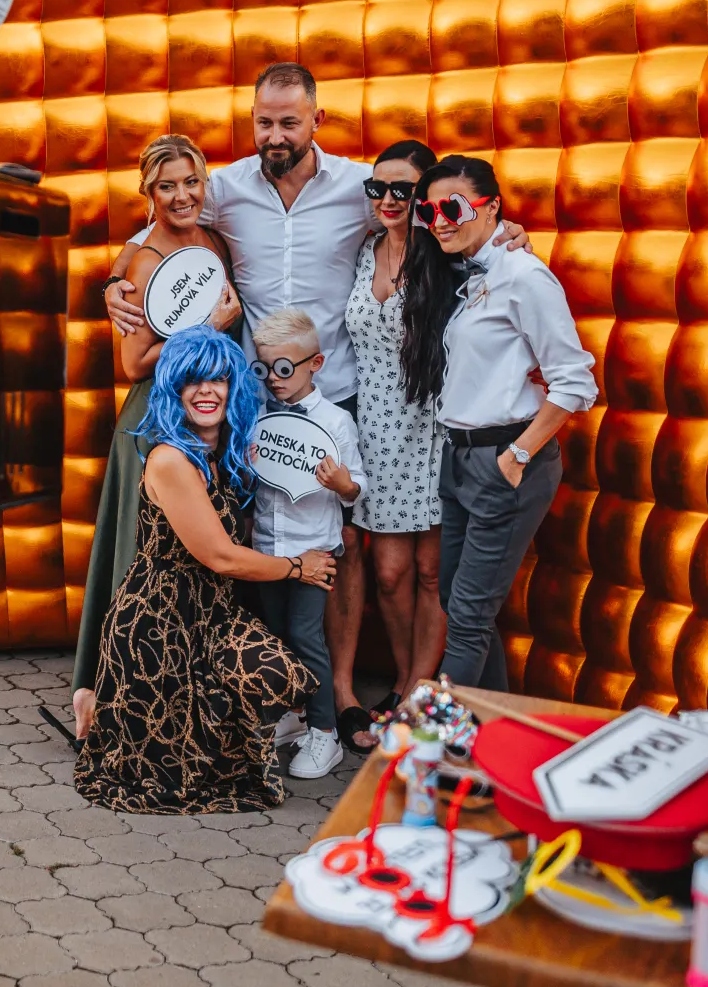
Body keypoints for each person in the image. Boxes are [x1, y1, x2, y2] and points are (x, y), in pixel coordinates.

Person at [102, 64, 531, 753]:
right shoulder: (226, 188)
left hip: (344, 392)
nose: (275, 135)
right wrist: (115, 280)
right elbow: (159, 221)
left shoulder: (362, 186)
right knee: (261, 529)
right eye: (264, 122)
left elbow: (431, 207)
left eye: (288, 122)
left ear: (316, 120)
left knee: (348, 545)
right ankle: (289, 695)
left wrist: (510, 234)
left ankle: (344, 696)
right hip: (255, 396)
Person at [74, 325, 333, 815]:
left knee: (279, 674)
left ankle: (106, 704)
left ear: (233, 387)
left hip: (211, 615)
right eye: (192, 380)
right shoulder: (171, 459)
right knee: (177, 779)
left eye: (218, 379)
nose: (206, 391)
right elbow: (221, 556)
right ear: (173, 389)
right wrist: (299, 568)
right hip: (158, 625)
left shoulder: (219, 454)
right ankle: (102, 707)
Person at [71, 134, 242, 738]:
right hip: (156, 423)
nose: (181, 195)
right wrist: (207, 327)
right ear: (148, 192)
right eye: (167, 186)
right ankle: (113, 701)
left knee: (192, 567)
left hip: (209, 419)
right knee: (141, 561)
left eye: (191, 182)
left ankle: (183, 698)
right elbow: (135, 362)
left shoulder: (214, 241)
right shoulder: (143, 261)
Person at [410, 156, 597, 689]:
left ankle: (434, 736)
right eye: (430, 211)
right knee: (456, 600)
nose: (440, 221)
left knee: (467, 619)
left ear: (492, 207)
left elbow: (575, 381)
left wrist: (516, 457)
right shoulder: (469, 271)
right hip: (459, 456)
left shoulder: (524, 276)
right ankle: (489, 725)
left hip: (505, 458)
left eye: (453, 207)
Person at [341, 139, 450, 750]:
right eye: (377, 188)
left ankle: (414, 693)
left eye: (402, 190)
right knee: (388, 573)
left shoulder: (445, 254)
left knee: (430, 572)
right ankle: (408, 681)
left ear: (423, 194)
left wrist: (515, 236)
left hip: (433, 428)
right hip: (376, 432)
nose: (387, 199)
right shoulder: (365, 250)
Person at [248, 307, 363, 779]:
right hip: (267, 547)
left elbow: (358, 488)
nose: (274, 379)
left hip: (315, 550)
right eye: (265, 369)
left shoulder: (336, 422)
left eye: (283, 368)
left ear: (315, 364)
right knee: (275, 635)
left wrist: (341, 483)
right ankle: (293, 716)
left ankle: (325, 731)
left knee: (305, 635)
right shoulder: (258, 417)